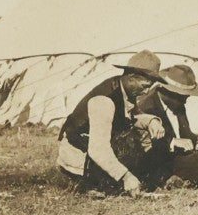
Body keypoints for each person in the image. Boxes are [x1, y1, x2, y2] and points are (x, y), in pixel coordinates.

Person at [56, 49, 167, 195]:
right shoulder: (104, 100)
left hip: (94, 152)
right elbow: (98, 150)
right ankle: (88, 184)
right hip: (79, 158)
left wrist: (152, 121)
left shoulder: (125, 90)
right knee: (111, 190)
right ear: (131, 77)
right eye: (145, 86)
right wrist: (125, 176)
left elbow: (129, 118)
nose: (146, 92)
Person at [133, 63, 198, 188]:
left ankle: (185, 181)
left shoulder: (178, 107)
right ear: (168, 91)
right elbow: (145, 148)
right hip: (160, 165)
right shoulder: (147, 107)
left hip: (181, 162)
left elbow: (186, 137)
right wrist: (172, 142)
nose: (185, 100)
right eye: (182, 96)